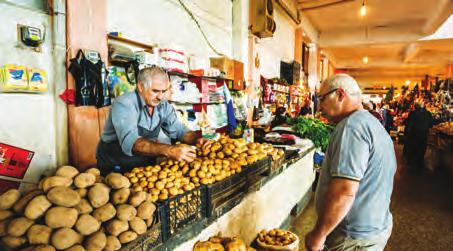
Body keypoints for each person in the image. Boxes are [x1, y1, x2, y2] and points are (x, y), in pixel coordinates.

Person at [305, 74, 396, 251]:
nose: (320, 106)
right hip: (373, 230)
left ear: (340, 95)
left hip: (353, 239)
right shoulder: (372, 123)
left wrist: (319, 234)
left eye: (322, 99)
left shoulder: (351, 127)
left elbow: (344, 191)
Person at [96, 66, 210, 174]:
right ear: (141, 87)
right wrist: (170, 150)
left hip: (144, 163)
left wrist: (197, 140)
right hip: (116, 164)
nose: (160, 97)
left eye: (164, 91)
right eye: (155, 91)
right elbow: (133, 143)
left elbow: (180, 130)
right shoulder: (125, 103)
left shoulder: (162, 105)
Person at [404, 102, 433, 171]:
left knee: (414, 148)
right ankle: (420, 162)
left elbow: (409, 124)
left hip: (414, 134)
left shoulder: (413, 113)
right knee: (422, 148)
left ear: (416, 107)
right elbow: (431, 124)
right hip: (424, 134)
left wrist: (407, 133)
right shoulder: (428, 113)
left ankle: (413, 163)